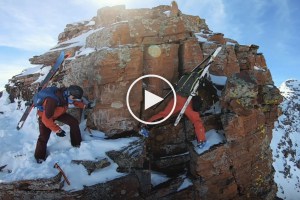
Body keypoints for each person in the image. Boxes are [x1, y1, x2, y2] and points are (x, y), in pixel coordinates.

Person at [142, 73, 207, 148]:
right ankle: (201, 140)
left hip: (177, 97)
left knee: (164, 114)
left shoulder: (188, 76)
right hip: (187, 102)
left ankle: (145, 127)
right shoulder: (199, 81)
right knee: (196, 120)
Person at [34, 85, 91, 163]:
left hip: (58, 113)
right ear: (69, 94)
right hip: (45, 116)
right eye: (74, 97)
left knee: (73, 122)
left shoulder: (66, 96)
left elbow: (74, 101)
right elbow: (46, 119)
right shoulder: (52, 100)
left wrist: (85, 106)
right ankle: (39, 156)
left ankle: (77, 143)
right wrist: (58, 130)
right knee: (44, 136)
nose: (75, 99)